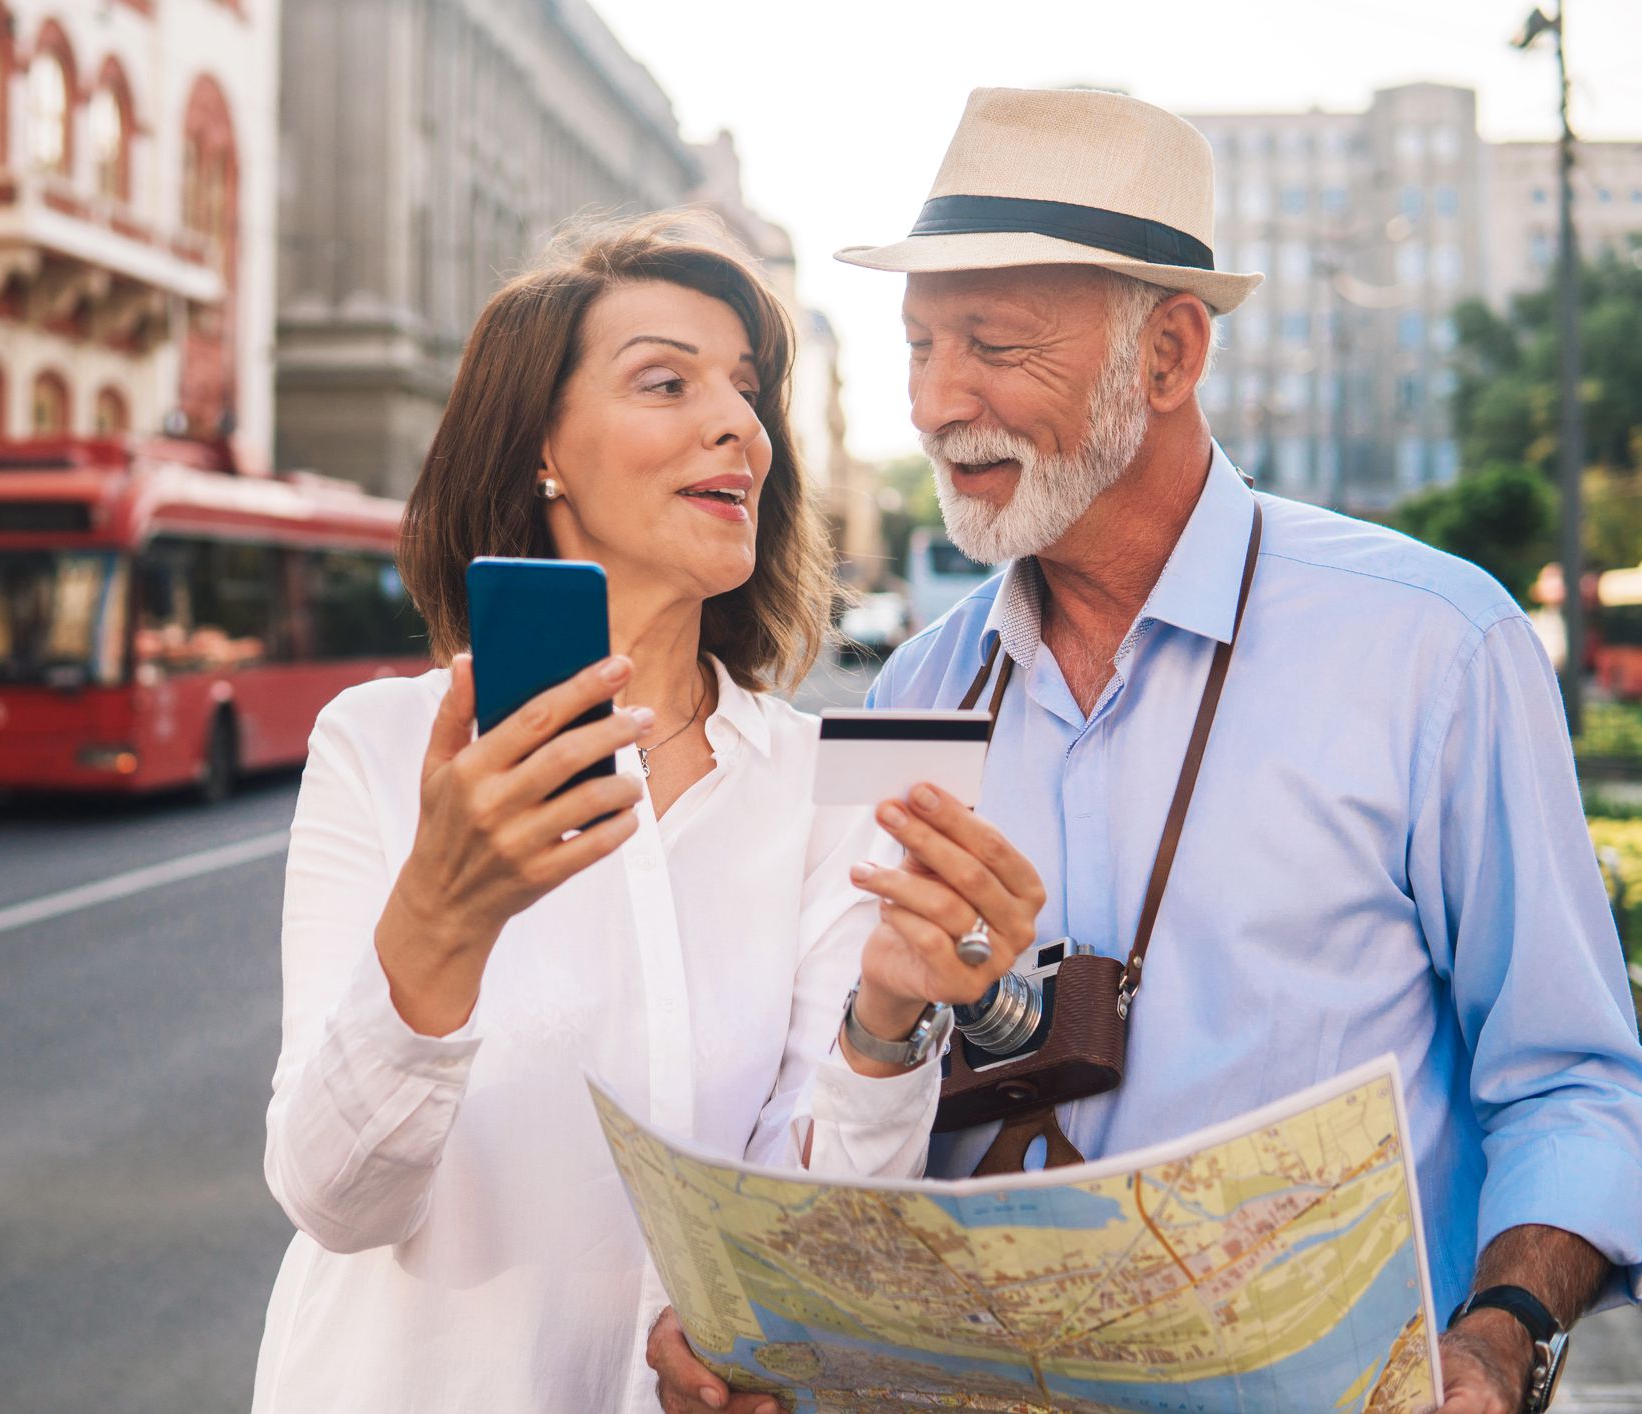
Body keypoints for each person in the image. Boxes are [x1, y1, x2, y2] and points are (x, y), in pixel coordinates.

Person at [651, 87, 1642, 1414]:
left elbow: (1573, 1080)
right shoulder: (915, 690)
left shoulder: (1434, 646)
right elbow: (853, 1087)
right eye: (919, 347)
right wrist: (755, 1318)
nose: (939, 403)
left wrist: (1502, 1335)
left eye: (994, 346)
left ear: (1170, 354)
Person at [252, 215, 942, 1414]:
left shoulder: (816, 782)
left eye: (748, 387)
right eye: (665, 381)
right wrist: (443, 918)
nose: (740, 422)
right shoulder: (379, 750)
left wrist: (892, 1017)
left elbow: (827, 1202)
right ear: (543, 452)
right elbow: (335, 1199)